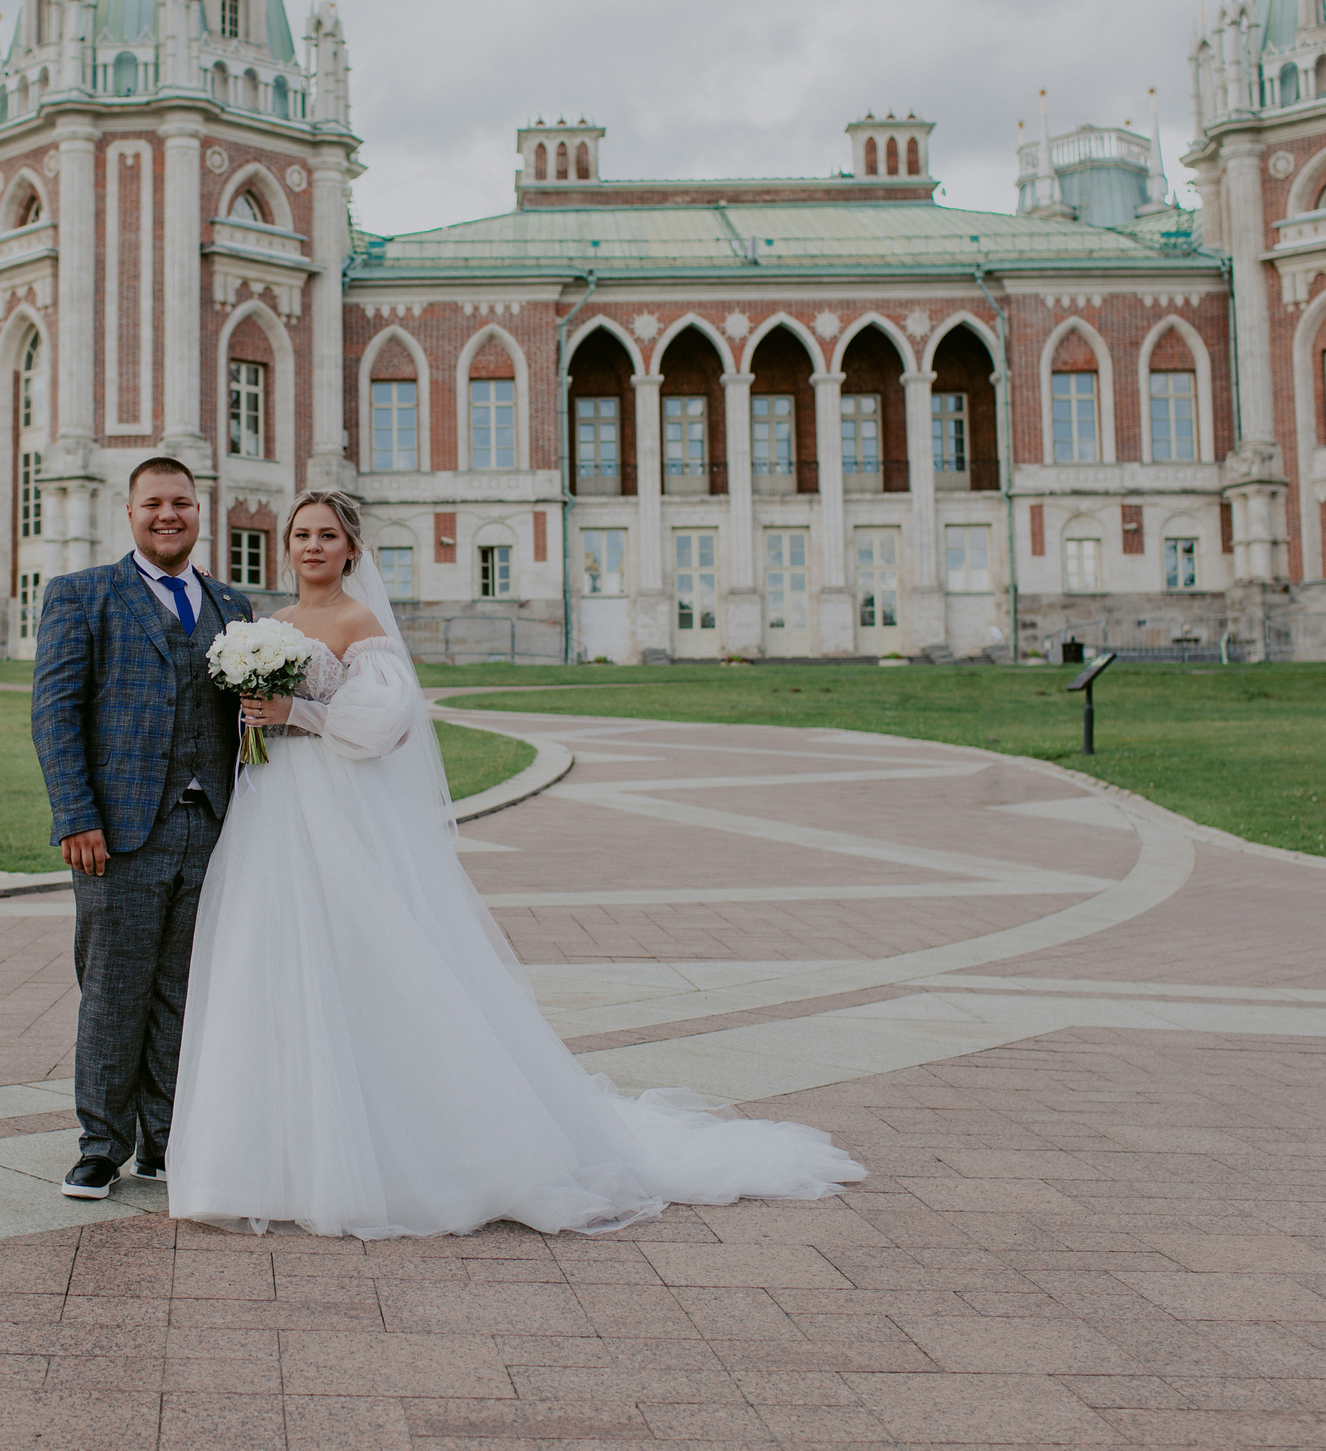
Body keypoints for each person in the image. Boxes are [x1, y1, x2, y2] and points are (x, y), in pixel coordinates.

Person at [168, 490, 864, 1238]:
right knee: (269, 964)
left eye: (326, 535)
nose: (310, 546)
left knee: (362, 960)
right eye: (301, 533)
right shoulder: (270, 626)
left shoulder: (357, 623)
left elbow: (386, 724)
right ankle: (268, 1156)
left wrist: (296, 712)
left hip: (336, 810)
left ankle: (403, 1151)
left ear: (350, 550)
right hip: (272, 810)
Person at [29, 455, 253, 1200]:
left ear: (200, 512)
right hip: (117, 832)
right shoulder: (82, 595)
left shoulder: (233, 608)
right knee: (114, 988)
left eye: (182, 503)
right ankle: (101, 1145)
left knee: (186, 993)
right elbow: (55, 714)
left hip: (212, 829)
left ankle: (167, 1140)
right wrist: (75, 816)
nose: (169, 515)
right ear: (129, 513)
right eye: (154, 503)